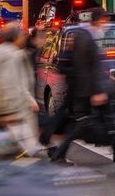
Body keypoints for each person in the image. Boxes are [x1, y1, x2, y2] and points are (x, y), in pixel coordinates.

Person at [47, 9, 110, 162]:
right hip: (84, 90)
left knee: (100, 120)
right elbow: (85, 68)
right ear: (98, 21)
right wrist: (96, 91)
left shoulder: (86, 36)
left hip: (83, 89)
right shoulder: (85, 38)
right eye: (104, 21)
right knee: (82, 124)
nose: (105, 25)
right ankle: (59, 153)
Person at [0, 23, 41, 157]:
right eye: (22, 35)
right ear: (16, 37)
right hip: (8, 112)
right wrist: (9, 113)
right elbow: (9, 83)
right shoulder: (12, 55)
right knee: (18, 153)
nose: (24, 38)